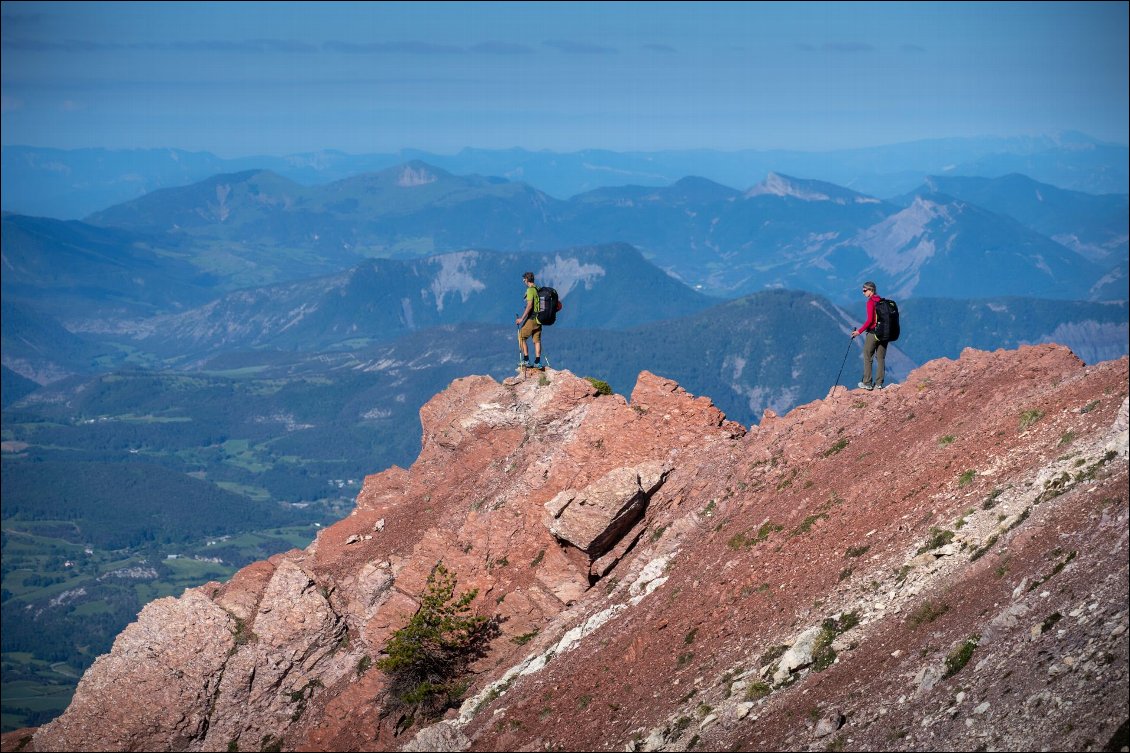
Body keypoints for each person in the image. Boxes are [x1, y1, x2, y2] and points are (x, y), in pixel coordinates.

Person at [851, 280, 886, 390]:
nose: (863, 293)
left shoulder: (871, 302)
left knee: (867, 356)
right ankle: (879, 384)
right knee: (881, 358)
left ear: (871, 290)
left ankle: (867, 383)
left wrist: (859, 331)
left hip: (873, 333)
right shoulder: (882, 301)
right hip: (884, 333)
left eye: (864, 290)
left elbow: (870, 320)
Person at [515, 271, 544, 370]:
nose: (523, 281)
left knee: (521, 336)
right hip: (540, 319)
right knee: (537, 340)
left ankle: (526, 360)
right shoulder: (539, 289)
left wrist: (521, 319)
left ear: (527, 279)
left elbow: (529, 305)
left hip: (532, 318)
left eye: (524, 279)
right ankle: (537, 361)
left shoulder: (530, 290)